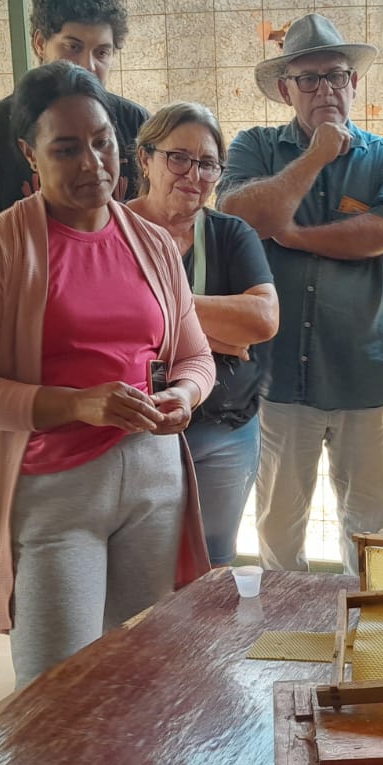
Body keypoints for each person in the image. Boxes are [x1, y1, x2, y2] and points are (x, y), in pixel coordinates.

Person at [0, 63, 214, 689]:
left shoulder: (153, 244)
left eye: (102, 141)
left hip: (155, 482)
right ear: (28, 154)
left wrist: (183, 394)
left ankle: (140, 760)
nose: (92, 163)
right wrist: (78, 405)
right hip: (57, 492)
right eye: (65, 149)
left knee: (144, 670)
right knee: (55, 688)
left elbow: (196, 357)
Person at [217, 13, 383, 575]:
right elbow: (238, 213)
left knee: (371, 530)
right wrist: (317, 156)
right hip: (280, 377)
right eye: (308, 79)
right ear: (286, 90)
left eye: (335, 75)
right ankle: (283, 626)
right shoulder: (255, 148)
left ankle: (366, 622)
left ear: (353, 82)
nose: (325, 89)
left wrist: (294, 235)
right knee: (279, 527)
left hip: (365, 373)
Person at [127, 103, 279, 566]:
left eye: (208, 163)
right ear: (145, 158)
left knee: (212, 562)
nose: (194, 175)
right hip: (134, 434)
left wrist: (160, 312)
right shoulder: (114, 232)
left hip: (224, 429)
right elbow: (106, 324)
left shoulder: (230, 234)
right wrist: (218, 335)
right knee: (141, 562)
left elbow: (263, 320)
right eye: (178, 158)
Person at [0, 0, 147, 273]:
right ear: (39, 43)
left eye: (102, 52)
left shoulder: (135, 123)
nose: (88, 65)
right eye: (73, 47)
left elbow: (156, 226)